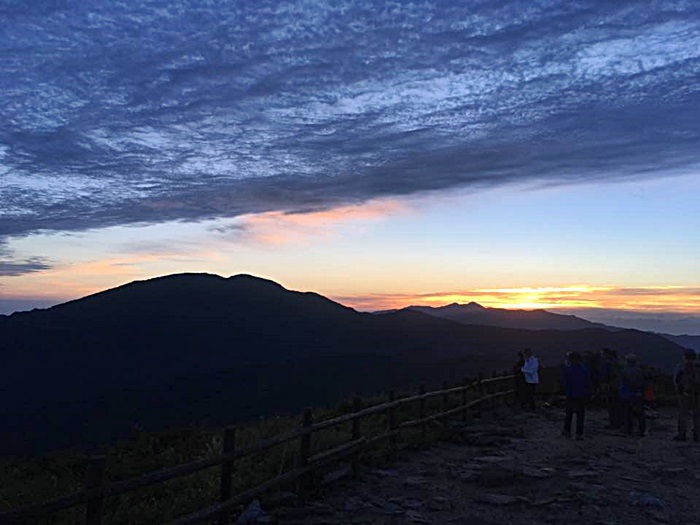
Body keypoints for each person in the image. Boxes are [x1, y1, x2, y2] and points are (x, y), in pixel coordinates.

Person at [561, 352, 592, 440]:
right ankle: (579, 433)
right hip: (581, 394)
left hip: (570, 394)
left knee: (568, 413)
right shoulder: (584, 370)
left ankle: (567, 431)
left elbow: (563, 382)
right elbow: (588, 382)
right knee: (580, 415)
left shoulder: (567, 369)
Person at [673, 348, 700, 442]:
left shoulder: (681, 366)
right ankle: (697, 435)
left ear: (684, 356)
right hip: (697, 394)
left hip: (684, 394)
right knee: (697, 415)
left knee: (683, 414)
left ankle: (682, 434)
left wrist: (679, 391)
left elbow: (676, 380)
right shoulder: (698, 367)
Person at [619, 353, 646, 437]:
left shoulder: (625, 371)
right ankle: (641, 429)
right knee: (640, 413)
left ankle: (628, 429)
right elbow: (643, 382)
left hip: (628, 394)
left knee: (628, 412)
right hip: (639, 394)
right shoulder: (640, 371)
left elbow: (624, 383)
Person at [600, 348, 622, 429]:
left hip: (611, 386)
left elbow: (604, 376)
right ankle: (619, 422)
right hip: (619, 386)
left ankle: (613, 423)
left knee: (611, 405)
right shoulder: (617, 362)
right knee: (618, 405)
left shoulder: (607, 364)